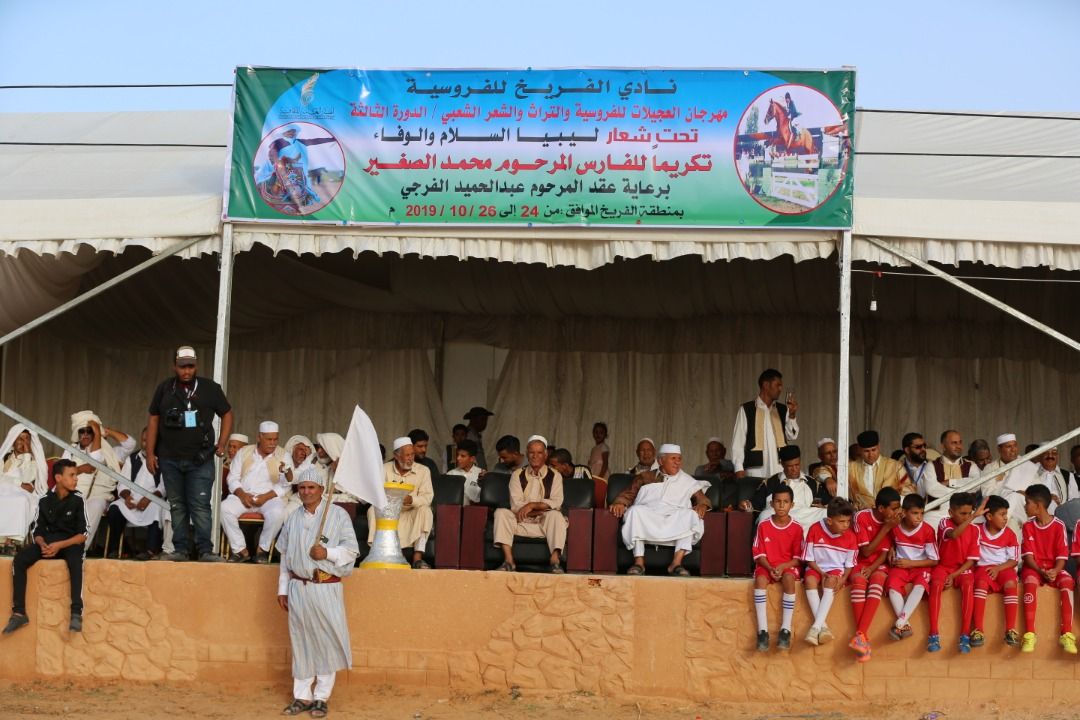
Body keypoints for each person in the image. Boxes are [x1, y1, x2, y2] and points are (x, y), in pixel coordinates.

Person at [277, 467, 358, 718]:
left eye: (311, 487)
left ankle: (321, 697)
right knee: (301, 640)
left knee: (326, 640)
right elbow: (284, 557)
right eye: (302, 487)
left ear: (322, 490)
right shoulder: (292, 517)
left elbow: (351, 551)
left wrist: (328, 553)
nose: (306, 492)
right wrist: (282, 589)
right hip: (298, 588)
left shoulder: (338, 515)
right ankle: (302, 695)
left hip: (326, 586)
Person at [147, 345, 233, 562]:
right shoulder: (164, 388)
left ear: (196, 366)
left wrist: (222, 443)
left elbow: (227, 413)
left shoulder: (210, 388)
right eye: (182, 367)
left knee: (200, 504)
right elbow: (154, 419)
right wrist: (149, 453)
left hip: (200, 458)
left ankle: (205, 550)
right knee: (177, 505)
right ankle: (180, 549)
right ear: (174, 366)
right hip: (169, 457)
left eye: (190, 366)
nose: (186, 371)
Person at [3, 459, 86, 635]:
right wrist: (42, 544)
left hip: (69, 543)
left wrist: (60, 545)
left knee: (76, 560)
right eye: (72, 475)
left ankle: (76, 613)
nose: (76, 479)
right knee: (19, 560)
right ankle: (19, 613)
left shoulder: (79, 500)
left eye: (76, 475)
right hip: (47, 544)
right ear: (58, 478)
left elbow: (83, 534)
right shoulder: (44, 500)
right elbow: (37, 530)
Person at [610, 443, 712, 577]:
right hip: (649, 514)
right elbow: (629, 494)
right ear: (661, 461)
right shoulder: (645, 477)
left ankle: (676, 564)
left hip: (674, 516)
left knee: (691, 516)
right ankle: (639, 563)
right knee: (635, 512)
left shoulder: (687, 481)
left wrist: (703, 505)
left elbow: (702, 499)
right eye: (673, 458)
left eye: (679, 459)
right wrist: (620, 503)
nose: (677, 462)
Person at [493, 436, 567, 573]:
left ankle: (555, 561)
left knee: (556, 516)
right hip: (521, 521)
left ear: (545, 455)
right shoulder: (517, 475)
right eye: (532, 452)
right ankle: (509, 561)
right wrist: (539, 508)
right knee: (501, 513)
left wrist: (532, 505)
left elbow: (556, 502)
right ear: (527, 454)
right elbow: (516, 504)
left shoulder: (555, 475)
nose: (535, 456)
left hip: (544, 523)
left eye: (539, 453)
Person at [63, 412, 135, 552]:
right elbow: (61, 473)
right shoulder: (70, 450)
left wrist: (104, 431)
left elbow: (130, 444)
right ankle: (61, 547)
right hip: (74, 493)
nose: (85, 434)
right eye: (82, 431)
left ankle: (78, 550)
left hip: (99, 496)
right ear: (77, 433)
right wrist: (79, 470)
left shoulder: (111, 453)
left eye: (89, 431)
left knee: (96, 505)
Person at [1019, 483, 1076, 654]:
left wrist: (1055, 571)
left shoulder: (1059, 525)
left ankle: (1066, 634)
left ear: (1038, 505)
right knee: (1029, 581)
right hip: (1034, 569)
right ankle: (1030, 634)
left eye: (1027, 503)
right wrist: (1040, 570)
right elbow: (1028, 557)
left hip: (1054, 569)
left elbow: (1062, 555)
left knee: (1067, 582)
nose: (1025, 506)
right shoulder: (1028, 526)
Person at [848, 487, 903, 663]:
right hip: (859, 561)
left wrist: (872, 568)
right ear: (881, 508)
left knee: (878, 579)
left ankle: (860, 636)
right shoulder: (861, 517)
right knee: (859, 580)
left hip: (878, 563)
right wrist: (886, 528)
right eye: (894, 508)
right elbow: (865, 551)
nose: (897, 512)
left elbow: (885, 552)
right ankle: (862, 638)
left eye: (898, 508)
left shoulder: (893, 521)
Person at [731, 370, 799, 510]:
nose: (780, 389)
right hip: (756, 469)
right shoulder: (747, 409)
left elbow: (792, 435)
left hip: (778, 467)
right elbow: (738, 442)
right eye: (777, 385)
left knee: (779, 506)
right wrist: (739, 468)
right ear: (766, 385)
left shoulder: (782, 409)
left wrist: (792, 415)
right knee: (756, 506)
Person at [222, 421, 288, 563]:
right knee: (224, 508)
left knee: (278, 512)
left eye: (275, 439)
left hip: (269, 499)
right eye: (269, 439)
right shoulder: (244, 452)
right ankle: (240, 550)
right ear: (259, 437)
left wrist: (265, 497)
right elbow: (232, 478)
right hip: (244, 496)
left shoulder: (283, 455)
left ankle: (261, 550)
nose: (273, 443)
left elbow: (286, 485)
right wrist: (242, 495)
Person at [928, 492, 982, 654]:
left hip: (962, 569)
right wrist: (973, 518)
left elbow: (971, 560)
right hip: (943, 566)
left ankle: (964, 635)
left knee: (968, 586)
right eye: (963, 513)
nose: (967, 517)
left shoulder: (975, 530)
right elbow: (953, 534)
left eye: (969, 513)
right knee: (936, 585)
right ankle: (933, 634)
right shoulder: (944, 522)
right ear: (951, 512)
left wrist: (953, 575)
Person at [368, 437, 433, 569]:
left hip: (410, 512)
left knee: (426, 510)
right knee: (372, 510)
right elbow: (375, 494)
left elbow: (427, 497)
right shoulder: (384, 469)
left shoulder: (423, 470)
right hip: (389, 512)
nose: (411, 458)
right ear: (396, 456)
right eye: (407, 455)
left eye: (412, 454)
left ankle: (417, 558)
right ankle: (385, 555)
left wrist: (412, 500)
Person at [752, 484, 802, 652]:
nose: (781, 505)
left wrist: (783, 566)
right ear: (771, 503)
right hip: (767, 565)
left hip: (787, 566)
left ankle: (785, 630)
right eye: (778, 501)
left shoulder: (796, 528)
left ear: (792, 505)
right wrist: (770, 567)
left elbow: (798, 558)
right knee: (760, 580)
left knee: (789, 579)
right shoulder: (763, 525)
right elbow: (759, 554)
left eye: (785, 502)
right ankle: (762, 631)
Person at [801, 497, 857, 646]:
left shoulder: (851, 537)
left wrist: (843, 579)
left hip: (835, 569)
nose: (846, 525)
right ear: (830, 521)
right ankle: (823, 627)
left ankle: (815, 628)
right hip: (816, 567)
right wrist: (821, 573)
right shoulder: (815, 529)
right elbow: (809, 559)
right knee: (809, 581)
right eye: (841, 521)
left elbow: (849, 564)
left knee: (831, 580)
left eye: (848, 521)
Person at [105, 427, 166, 560]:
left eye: (149, 441)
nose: (146, 444)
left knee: (158, 508)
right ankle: (114, 549)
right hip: (131, 498)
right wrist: (127, 497)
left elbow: (164, 486)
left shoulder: (164, 460)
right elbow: (123, 483)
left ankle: (150, 550)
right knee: (115, 507)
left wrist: (148, 498)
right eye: (144, 440)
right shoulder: (132, 459)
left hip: (152, 500)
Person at [885, 494, 938, 643]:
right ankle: (905, 625)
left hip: (921, 565)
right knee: (892, 586)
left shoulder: (927, 530)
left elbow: (934, 560)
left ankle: (900, 623)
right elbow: (890, 540)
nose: (919, 517)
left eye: (921, 513)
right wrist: (891, 548)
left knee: (920, 586)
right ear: (904, 512)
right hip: (901, 566)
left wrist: (911, 563)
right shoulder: (895, 527)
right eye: (915, 513)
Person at [971, 495, 1021, 649]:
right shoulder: (977, 530)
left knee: (1011, 583)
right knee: (980, 583)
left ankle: (1010, 629)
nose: (1006, 518)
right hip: (983, 568)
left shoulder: (1010, 534)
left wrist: (998, 568)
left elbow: (1014, 560)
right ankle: (978, 630)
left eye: (1006, 514)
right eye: (1002, 514)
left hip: (1003, 567)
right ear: (989, 516)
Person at [752, 445, 827, 530]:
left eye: (797, 465)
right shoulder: (771, 482)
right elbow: (755, 503)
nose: (794, 469)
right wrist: (747, 505)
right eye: (790, 466)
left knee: (825, 513)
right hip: (779, 515)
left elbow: (827, 502)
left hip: (803, 516)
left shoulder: (812, 483)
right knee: (764, 515)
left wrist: (823, 507)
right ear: (782, 464)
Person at [0, 425, 47, 554]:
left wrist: (27, 454)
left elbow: (27, 478)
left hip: (23, 493)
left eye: (27, 439)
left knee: (20, 500)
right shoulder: (4, 457)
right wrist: (18, 483)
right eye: (20, 439)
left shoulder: (33, 460)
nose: (24, 442)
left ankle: (10, 541)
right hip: (4, 490)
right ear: (13, 441)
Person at [982, 433, 1035, 535]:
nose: (1013, 449)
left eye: (1015, 445)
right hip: (1000, 507)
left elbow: (1038, 489)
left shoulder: (1027, 465)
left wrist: (1025, 494)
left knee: (1017, 497)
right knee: (1013, 497)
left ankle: (998, 532)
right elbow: (987, 494)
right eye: (1008, 446)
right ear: (999, 449)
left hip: (1025, 506)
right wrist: (1008, 489)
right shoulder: (990, 468)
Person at [848, 431, 912, 511]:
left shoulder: (895, 466)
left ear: (879, 446)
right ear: (860, 450)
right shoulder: (851, 468)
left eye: (873, 450)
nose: (871, 455)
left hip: (891, 513)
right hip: (862, 514)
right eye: (866, 451)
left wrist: (893, 504)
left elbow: (909, 491)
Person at [281, 435, 318, 515]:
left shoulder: (310, 467)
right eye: (301, 449)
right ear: (292, 450)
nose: (304, 453)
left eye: (306, 450)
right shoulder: (282, 463)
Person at [447, 439, 483, 505]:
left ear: (472, 459)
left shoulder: (481, 474)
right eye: (457, 455)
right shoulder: (450, 474)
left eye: (462, 456)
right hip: (454, 509)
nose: (458, 458)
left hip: (475, 510)